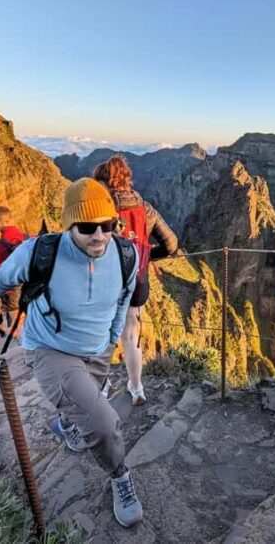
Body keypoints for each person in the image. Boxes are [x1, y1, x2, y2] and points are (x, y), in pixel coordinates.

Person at [0, 178, 143, 527]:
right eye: (87, 227)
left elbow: (125, 296)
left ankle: (67, 424)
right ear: (69, 225)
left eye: (108, 225)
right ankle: (120, 474)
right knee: (103, 423)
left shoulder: (125, 254)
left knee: (82, 403)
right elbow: (2, 278)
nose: (100, 235)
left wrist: (112, 337)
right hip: (51, 348)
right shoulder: (40, 252)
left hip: (98, 348)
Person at [93, 154, 179, 406]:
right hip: (137, 281)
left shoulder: (98, 210)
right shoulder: (145, 208)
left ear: (103, 183)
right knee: (131, 336)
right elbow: (171, 244)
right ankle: (137, 388)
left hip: (104, 283)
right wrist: (146, 256)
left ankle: (102, 387)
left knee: (100, 335)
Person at [0, 206, 25, 336]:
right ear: (11, 219)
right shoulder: (28, 238)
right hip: (33, 283)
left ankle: (21, 339)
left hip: (11, 287)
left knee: (16, 318)